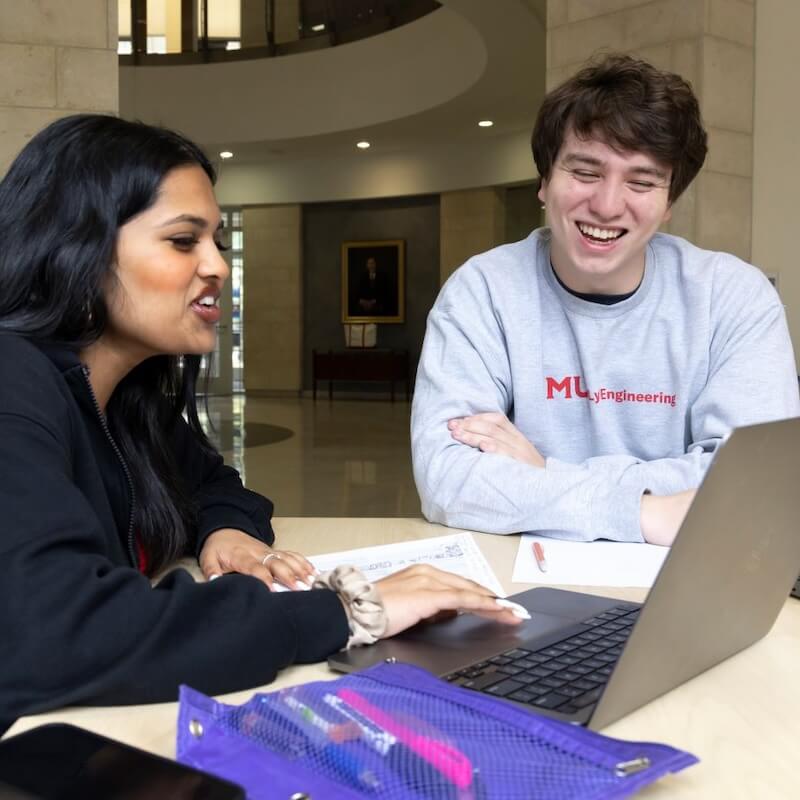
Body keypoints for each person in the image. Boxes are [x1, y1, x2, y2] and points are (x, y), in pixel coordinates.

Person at [0, 114, 524, 732]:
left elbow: (219, 486)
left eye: (217, 240)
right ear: (77, 251)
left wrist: (220, 530)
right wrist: (346, 611)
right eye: (183, 240)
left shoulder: (127, 398)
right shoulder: (14, 383)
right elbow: (55, 632)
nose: (218, 266)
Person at [411, 54, 800, 547]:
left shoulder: (734, 298)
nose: (608, 204)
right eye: (586, 171)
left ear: (668, 205)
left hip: (683, 582)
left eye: (641, 181)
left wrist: (543, 471)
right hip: (523, 582)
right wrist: (648, 514)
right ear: (544, 183)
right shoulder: (482, 292)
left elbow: (753, 484)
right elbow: (447, 478)